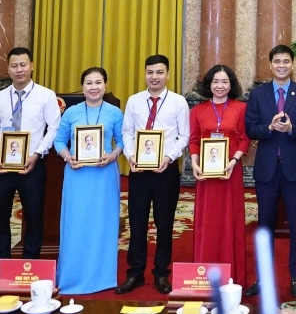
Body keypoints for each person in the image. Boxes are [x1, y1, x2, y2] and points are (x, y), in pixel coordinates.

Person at [0, 47, 61, 293]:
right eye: (14, 66)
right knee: (0, 219)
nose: (19, 70)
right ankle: (1, 270)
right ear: (8, 69)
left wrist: (37, 153)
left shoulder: (46, 96)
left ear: (32, 66)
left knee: (34, 218)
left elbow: (54, 128)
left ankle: (30, 268)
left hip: (32, 167)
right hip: (2, 168)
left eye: (23, 65)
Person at [245, 45, 296, 298]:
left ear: (292, 64)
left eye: (286, 61)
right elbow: (251, 128)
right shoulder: (258, 94)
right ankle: (262, 279)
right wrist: (269, 128)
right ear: (270, 65)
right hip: (267, 169)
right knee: (265, 225)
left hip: (295, 169)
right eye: (277, 61)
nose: (282, 65)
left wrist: (292, 129)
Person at [119, 54, 190, 295]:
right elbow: (127, 132)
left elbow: (184, 136)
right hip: (139, 171)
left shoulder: (178, 102)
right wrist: (131, 156)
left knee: (164, 223)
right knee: (137, 223)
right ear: (145, 74)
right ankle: (135, 273)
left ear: (168, 75)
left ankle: (161, 273)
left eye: (159, 72)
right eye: (150, 72)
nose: (154, 77)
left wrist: (169, 157)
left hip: (165, 172)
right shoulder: (134, 101)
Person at [55, 67, 124, 294]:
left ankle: (102, 277)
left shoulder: (115, 113)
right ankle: (72, 275)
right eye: (89, 83)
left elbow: (122, 141)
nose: (94, 87)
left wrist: (113, 155)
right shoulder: (71, 112)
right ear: (82, 86)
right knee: (76, 224)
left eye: (98, 82)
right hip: (77, 175)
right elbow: (59, 141)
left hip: (104, 176)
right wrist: (68, 157)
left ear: (105, 85)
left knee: (102, 224)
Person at [190, 65, 251, 285]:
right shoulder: (198, 111)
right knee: (208, 222)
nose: (220, 86)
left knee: (230, 221)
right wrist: (194, 163)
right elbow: (194, 140)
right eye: (215, 81)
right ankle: (204, 276)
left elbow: (245, 139)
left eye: (225, 81)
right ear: (209, 84)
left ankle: (232, 275)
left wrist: (234, 161)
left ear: (231, 84)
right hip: (206, 176)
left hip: (229, 173)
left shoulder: (241, 108)